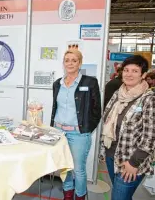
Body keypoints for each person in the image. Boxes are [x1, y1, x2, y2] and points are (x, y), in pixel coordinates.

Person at [100, 55, 155, 200]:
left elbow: (150, 137)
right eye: (126, 70)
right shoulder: (119, 93)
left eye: (135, 71)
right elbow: (106, 120)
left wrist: (133, 163)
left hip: (131, 161)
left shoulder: (149, 99)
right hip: (112, 155)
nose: (129, 74)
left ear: (143, 75)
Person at [50, 49, 102, 200]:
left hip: (78, 134)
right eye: (67, 60)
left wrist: (86, 129)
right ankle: (68, 194)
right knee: (64, 167)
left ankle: (80, 196)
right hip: (59, 133)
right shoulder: (57, 84)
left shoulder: (90, 82)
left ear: (80, 63)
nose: (70, 63)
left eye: (74, 60)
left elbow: (96, 110)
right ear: (63, 63)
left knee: (78, 170)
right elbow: (56, 107)